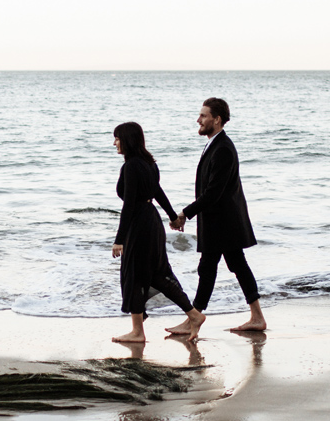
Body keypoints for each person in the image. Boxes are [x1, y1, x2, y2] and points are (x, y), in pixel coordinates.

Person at [168, 98, 266, 332]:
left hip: (223, 223)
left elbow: (213, 193)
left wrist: (184, 213)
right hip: (221, 221)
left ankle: (196, 318)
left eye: (203, 116)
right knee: (223, 267)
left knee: (214, 269)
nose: (198, 120)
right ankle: (255, 317)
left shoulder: (223, 148)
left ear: (217, 119)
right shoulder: (216, 144)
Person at [111, 122, 206, 343]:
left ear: (127, 140)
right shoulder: (149, 163)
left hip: (139, 223)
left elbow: (129, 205)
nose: (114, 143)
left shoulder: (131, 166)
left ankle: (138, 332)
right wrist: (172, 217)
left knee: (136, 274)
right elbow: (158, 192)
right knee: (155, 273)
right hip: (151, 221)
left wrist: (119, 239)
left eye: (117, 138)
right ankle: (192, 314)